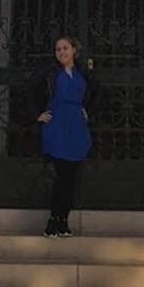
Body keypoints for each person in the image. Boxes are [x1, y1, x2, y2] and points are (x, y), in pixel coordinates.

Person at [33, 34, 96, 238]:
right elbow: (30, 91)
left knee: (71, 177)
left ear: (74, 51)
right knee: (61, 176)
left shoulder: (82, 74)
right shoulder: (50, 73)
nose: (61, 52)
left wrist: (88, 110)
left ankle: (64, 220)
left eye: (65, 48)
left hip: (76, 126)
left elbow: (96, 93)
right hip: (57, 125)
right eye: (58, 49)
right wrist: (37, 114)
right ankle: (53, 220)